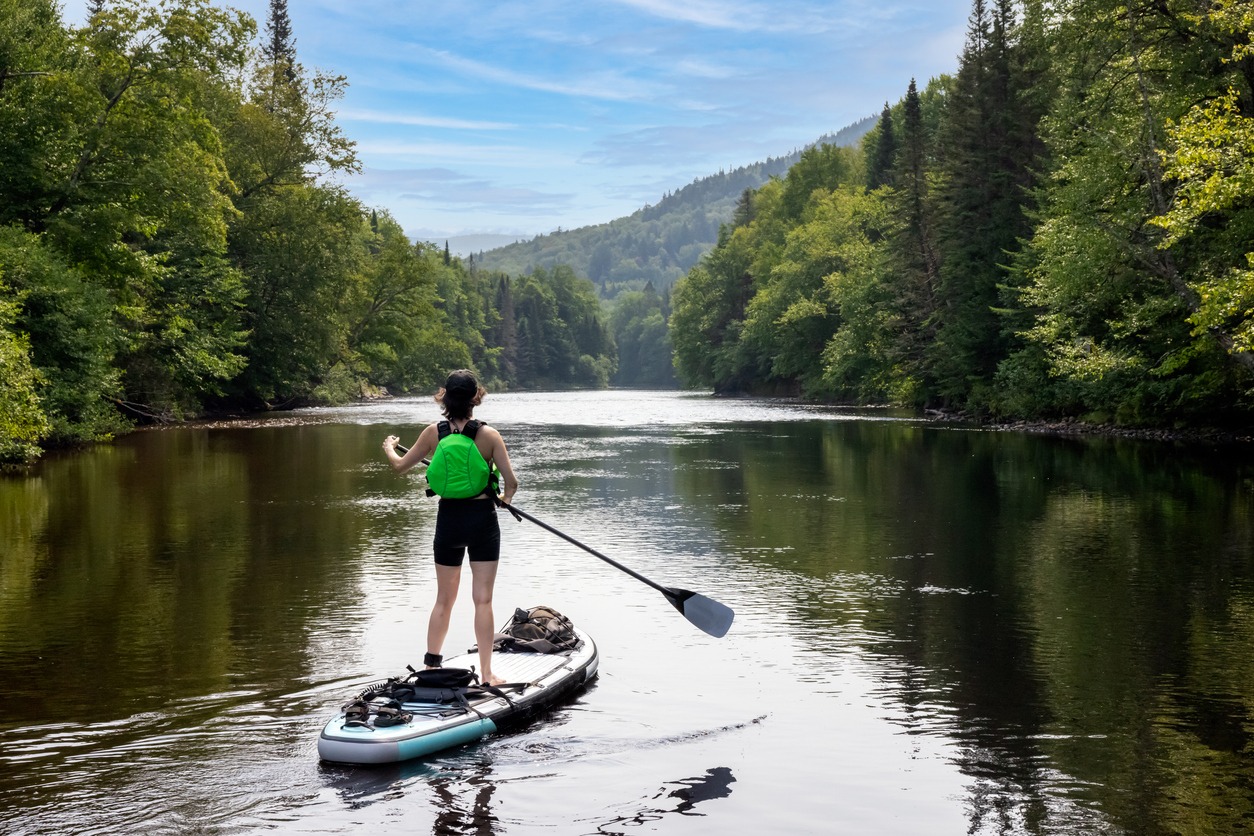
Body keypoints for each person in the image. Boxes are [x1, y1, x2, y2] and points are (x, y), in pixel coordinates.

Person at [382, 369, 518, 686]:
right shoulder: (489, 436)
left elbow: (401, 467)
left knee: (444, 599)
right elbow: (511, 483)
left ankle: (430, 668)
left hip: (449, 521)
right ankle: (486, 674)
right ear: (475, 398)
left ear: (444, 397)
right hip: (483, 520)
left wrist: (390, 446)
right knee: (482, 600)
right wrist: (504, 498)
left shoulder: (434, 433)